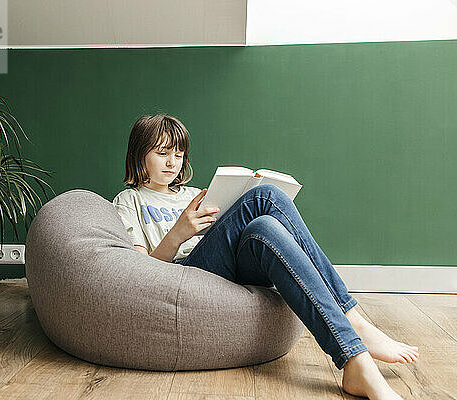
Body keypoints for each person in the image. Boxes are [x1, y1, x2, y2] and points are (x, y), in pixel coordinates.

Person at [112, 114, 418, 400]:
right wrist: (179, 233)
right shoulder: (130, 200)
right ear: (140, 154)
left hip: (226, 266)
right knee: (265, 196)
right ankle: (354, 332)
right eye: (162, 153)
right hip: (185, 274)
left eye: (178, 155)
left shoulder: (193, 193)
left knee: (264, 225)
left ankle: (354, 356)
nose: (172, 163)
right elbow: (142, 273)